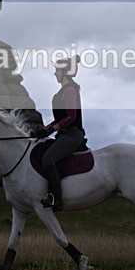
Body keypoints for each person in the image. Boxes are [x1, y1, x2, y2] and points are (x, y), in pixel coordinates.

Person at [36, 56, 85, 210]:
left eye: (57, 70)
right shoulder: (63, 91)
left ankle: (55, 198)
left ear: (64, 72)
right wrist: (45, 129)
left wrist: (53, 128)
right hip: (64, 134)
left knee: (48, 159)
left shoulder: (70, 90)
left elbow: (72, 116)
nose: (54, 73)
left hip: (73, 134)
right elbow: (61, 118)